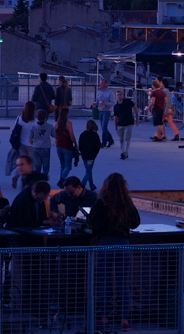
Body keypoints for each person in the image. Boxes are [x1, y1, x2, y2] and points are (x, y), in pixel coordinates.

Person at [87, 173, 140, 331]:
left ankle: (104, 318)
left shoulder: (101, 202)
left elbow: (91, 223)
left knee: (104, 282)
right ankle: (124, 319)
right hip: (124, 245)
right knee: (123, 283)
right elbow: (136, 223)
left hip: (105, 244)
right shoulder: (127, 203)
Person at [6, 102, 37, 176]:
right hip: (31, 145)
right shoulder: (35, 121)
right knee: (31, 164)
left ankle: (18, 176)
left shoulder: (19, 119)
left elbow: (15, 130)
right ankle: (29, 179)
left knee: (22, 163)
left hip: (21, 144)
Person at [54, 107, 77, 187]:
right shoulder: (69, 124)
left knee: (62, 165)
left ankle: (62, 182)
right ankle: (62, 180)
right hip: (67, 146)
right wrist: (75, 143)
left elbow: (54, 135)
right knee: (68, 166)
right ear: (66, 114)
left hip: (58, 145)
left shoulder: (56, 124)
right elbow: (71, 135)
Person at [112, 90, 138, 160]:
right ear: (115, 97)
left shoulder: (128, 102)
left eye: (120, 95)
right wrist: (115, 126)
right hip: (120, 124)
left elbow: (135, 108)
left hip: (129, 123)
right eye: (118, 95)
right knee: (121, 139)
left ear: (123, 96)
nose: (119, 96)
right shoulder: (116, 106)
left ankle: (124, 153)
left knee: (127, 138)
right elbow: (115, 117)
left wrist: (137, 118)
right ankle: (123, 151)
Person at [78, 119, 102, 191]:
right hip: (91, 156)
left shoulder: (83, 134)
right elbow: (98, 145)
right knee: (88, 171)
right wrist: (95, 154)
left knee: (88, 170)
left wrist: (81, 152)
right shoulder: (95, 135)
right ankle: (82, 185)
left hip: (84, 155)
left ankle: (92, 185)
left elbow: (80, 145)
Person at [92, 79, 116, 148]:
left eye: (102, 83)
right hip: (100, 110)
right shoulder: (99, 91)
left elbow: (113, 102)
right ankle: (111, 140)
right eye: (100, 83)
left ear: (106, 84)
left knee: (104, 126)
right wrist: (94, 103)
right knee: (103, 128)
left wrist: (106, 103)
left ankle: (104, 142)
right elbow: (97, 101)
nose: (101, 85)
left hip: (106, 110)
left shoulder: (109, 92)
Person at [30, 109, 53, 175]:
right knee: (46, 166)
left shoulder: (33, 127)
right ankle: (43, 179)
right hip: (46, 147)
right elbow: (54, 135)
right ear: (45, 118)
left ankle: (37, 180)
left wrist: (33, 143)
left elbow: (30, 139)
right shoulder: (49, 126)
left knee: (37, 166)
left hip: (36, 147)